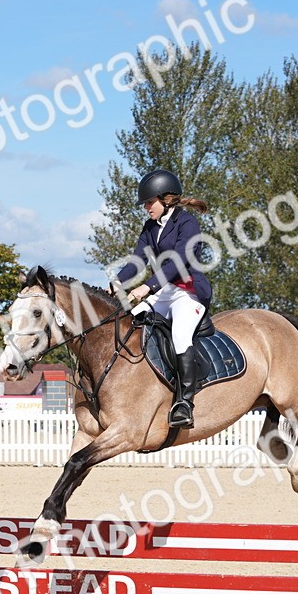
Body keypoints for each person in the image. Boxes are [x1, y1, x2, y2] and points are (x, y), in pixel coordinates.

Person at [113, 168, 212, 429]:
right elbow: (138, 260)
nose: (146, 208)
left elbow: (180, 260)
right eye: (145, 204)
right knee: (130, 324)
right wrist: (118, 281)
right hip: (165, 292)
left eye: (149, 202)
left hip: (189, 292)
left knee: (180, 334)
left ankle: (185, 403)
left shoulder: (187, 222)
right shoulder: (150, 227)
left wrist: (148, 286)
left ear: (165, 199)